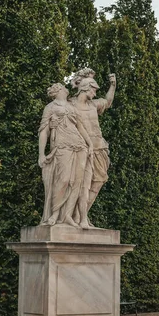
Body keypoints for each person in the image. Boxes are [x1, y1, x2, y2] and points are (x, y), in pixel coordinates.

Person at [38, 83, 93, 228]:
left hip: (80, 146)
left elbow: (80, 127)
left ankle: (68, 215)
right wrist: (41, 154)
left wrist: (90, 144)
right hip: (62, 146)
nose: (66, 87)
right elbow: (44, 131)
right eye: (63, 86)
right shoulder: (50, 107)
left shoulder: (71, 106)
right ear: (58, 91)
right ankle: (55, 214)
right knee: (63, 179)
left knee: (77, 182)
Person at [70, 68, 116, 226]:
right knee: (81, 184)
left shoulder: (93, 105)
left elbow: (108, 102)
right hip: (81, 150)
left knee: (99, 181)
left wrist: (113, 85)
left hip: (99, 148)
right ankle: (76, 217)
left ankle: (80, 215)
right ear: (85, 87)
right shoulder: (70, 105)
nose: (95, 94)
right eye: (94, 90)